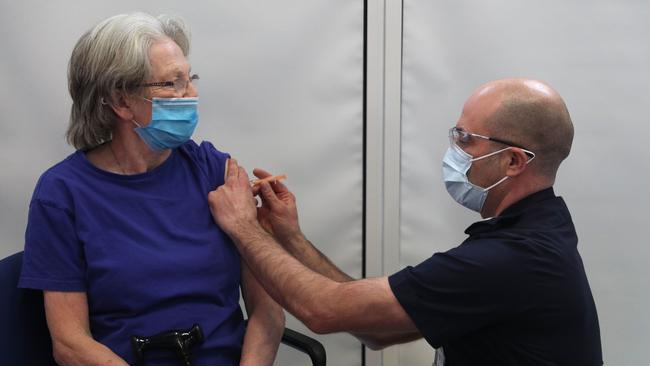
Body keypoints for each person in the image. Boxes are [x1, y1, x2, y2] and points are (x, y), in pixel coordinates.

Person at [208, 78, 603, 365]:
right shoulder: (535, 233)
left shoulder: (511, 259)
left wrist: (242, 227)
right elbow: (376, 329)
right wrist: (289, 236)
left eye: (465, 139)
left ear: (514, 161)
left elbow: (323, 310)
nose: (454, 151)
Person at [18, 13, 283, 366]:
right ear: (121, 101)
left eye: (190, 78)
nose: (191, 94)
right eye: (172, 83)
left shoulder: (214, 171)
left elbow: (268, 312)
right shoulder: (62, 194)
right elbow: (70, 344)